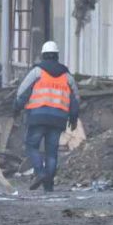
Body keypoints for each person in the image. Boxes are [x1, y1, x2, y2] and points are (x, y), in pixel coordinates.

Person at [14, 41, 79, 192]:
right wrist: (73, 118)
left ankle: (40, 172)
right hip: (58, 119)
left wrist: (16, 108)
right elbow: (75, 99)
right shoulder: (67, 76)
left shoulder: (37, 71)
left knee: (31, 146)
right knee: (51, 151)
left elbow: (22, 92)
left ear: (43, 55)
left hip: (37, 116)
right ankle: (48, 186)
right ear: (57, 56)